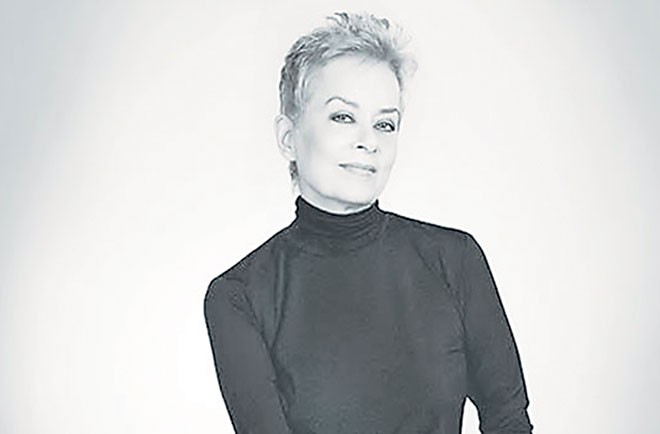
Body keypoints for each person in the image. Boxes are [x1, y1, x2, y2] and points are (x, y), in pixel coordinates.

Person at [204, 12, 533, 434]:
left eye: (384, 124)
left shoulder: (454, 260)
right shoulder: (239, 297)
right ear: (288, 137)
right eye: (343, 117)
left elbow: (508, 419)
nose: (369, 141)